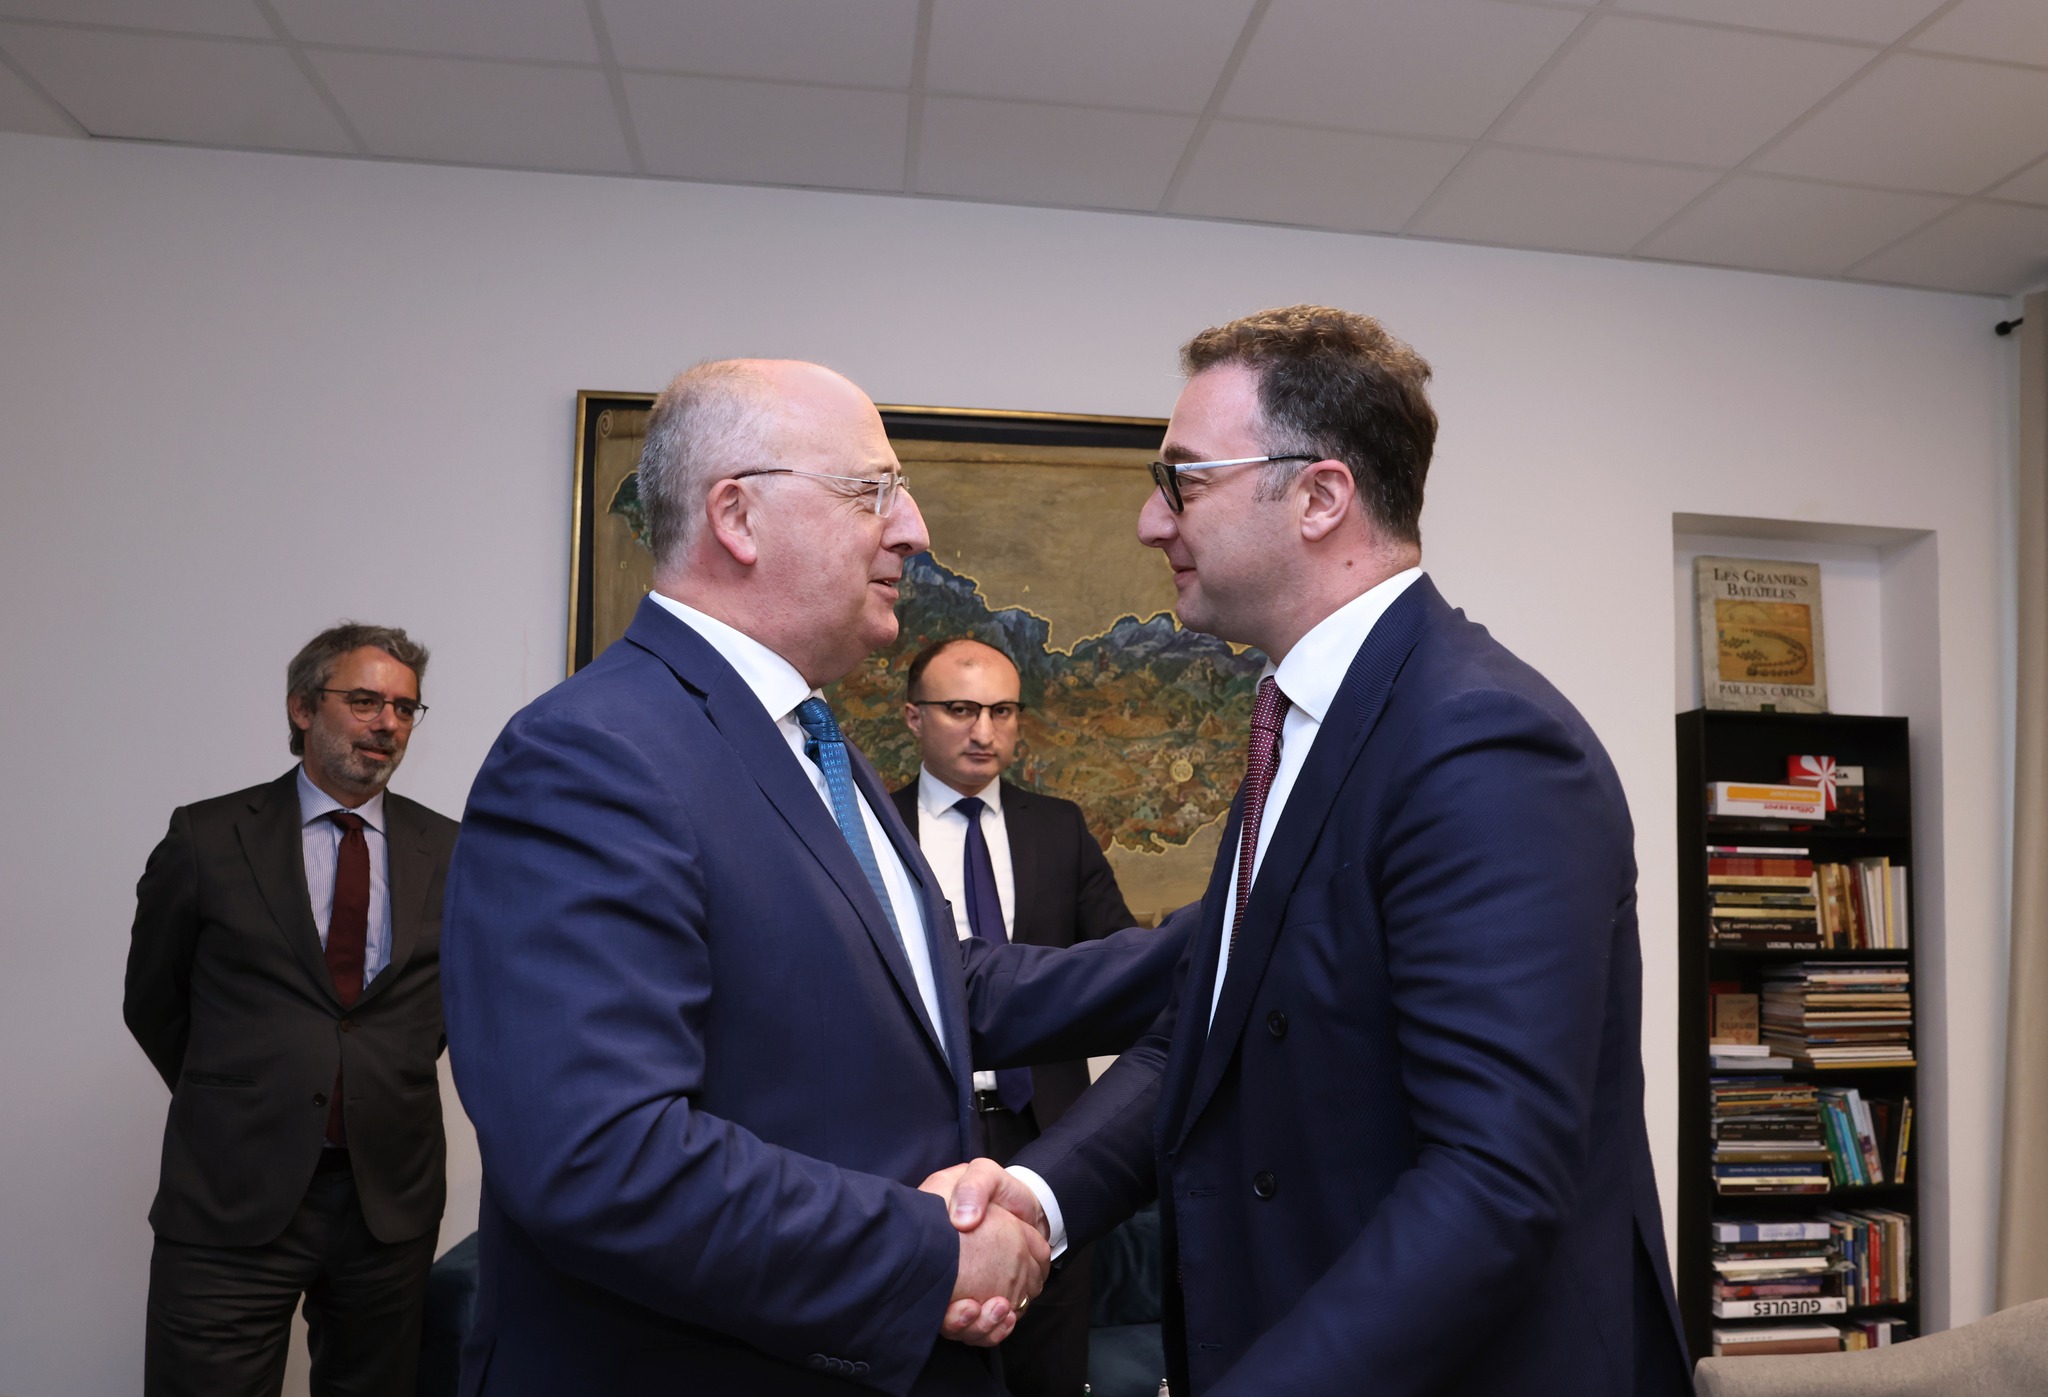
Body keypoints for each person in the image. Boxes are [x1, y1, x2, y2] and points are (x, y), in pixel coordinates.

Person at [938, 306, 1694, 1395]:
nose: (1151, 521)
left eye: (1182, 480)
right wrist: (1034, 1198)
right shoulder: (1300, 724)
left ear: (1319, 496)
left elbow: (1490, 1182)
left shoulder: (1482, 742)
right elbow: (1199, 1034)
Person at [439, 359, 1190, 1396]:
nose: (913, 528)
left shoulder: (807, 739)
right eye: (872, 491)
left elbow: (933, 986)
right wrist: (930, 1252)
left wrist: (1230, 932)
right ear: (738, 517)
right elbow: (600, 1155)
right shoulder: (591, 754)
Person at [124, 623, 458, 1397]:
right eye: (365, 700)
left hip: (387, 1203)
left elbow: (446, 1011)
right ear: (303, 707)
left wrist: (371, 1077)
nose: (387, 723)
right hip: (230, 1195)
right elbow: (154, 1000)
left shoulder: (451, 851)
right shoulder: (208, 838)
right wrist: (244, 1094)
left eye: (405, 708)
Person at [892, 637, 1138, 1397]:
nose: (984, 731)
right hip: (922, 1138)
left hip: (1047, 1133)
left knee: (1050, 1362)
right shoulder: (872, 826)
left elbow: (1121, 968)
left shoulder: (1057, 827)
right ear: (913, 717)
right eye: (960, 709)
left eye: (1002, 711)